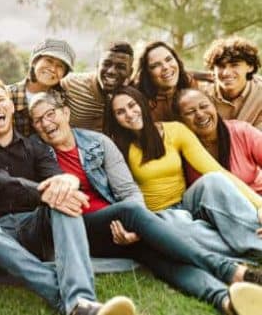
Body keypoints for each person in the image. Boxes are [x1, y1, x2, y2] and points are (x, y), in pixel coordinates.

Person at [29, 91, 262, 315]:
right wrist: (133, 219)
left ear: (66, 113)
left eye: (50, 114)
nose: (45, 123)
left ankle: (224, 299)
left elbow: (128, 190)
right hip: (79, 228)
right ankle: (229, 269)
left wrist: (133, 229)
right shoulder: (36, 151)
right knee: (130, 211)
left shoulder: (98, 142)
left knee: (159, 257)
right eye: (37, 120)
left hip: (119, 225)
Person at [0, 75, 137, 315]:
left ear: (11, 106)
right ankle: (65, 298)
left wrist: (67, 182)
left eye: (0, 100)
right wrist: (42, 193)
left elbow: (57, 177)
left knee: (64, 199)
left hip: (34, 228)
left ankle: (81, 301)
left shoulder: (36, 147)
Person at [103, 86, 262, 257]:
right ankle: (243, 250)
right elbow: (121, 193)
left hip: (187, 202)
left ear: (142, 103)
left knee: (214, 180)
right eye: (120, 112)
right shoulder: (115, 147)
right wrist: (139, 226)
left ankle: (255, 242)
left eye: (132, 105)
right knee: (181, 227)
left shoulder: (175, 130)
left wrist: (260, 206)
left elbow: (216, 170)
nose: (129, 113)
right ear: (115, 119)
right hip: (157, 216)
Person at [174, 88, 262, 194]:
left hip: (256, 199)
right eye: (190, 112)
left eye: (204, 106)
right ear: (180, 120)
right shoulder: (179, 148)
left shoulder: (241, 132)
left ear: (214, 107)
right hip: (213, 207)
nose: (200, 114)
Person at [61, 41, 134, 132]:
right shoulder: (71, 83)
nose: (111, 71)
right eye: (106, 64)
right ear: (97, 65)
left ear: (130, 72)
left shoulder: (131, 97)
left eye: (121, 67)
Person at [8, 38, 74, 137]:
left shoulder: (64, 100)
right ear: (34, 62)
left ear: (64, 74)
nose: (52, 69)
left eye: (60, 66)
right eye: (49, 60)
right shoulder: (8, 95)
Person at [199, 37, 262, 130]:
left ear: (250, 67)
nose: (226, 73)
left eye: (234, 65)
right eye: (221, 66)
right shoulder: (201, 94)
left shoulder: (259, 95)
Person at [135, 41, 197, 122]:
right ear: (147, 73)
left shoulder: (192, 87)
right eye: (156, 65)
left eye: (169, 59)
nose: (165, 67)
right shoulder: (138, 102)